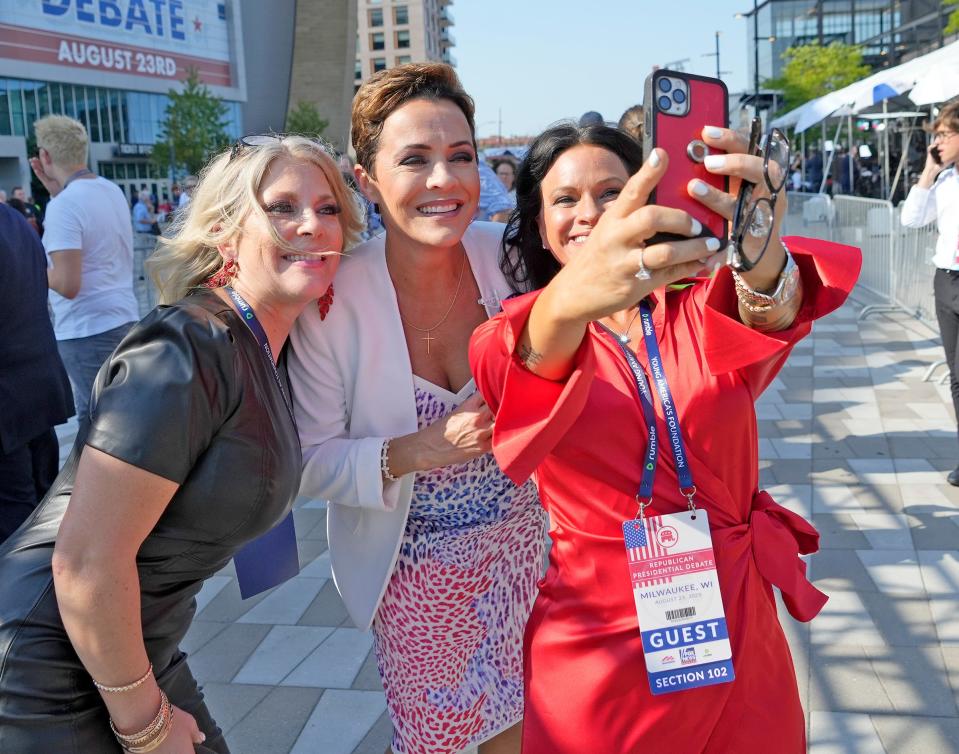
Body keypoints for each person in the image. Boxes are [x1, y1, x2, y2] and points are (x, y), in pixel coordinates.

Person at [469, 122, 861, 753]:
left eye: (613, 192)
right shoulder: (507, 337)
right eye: (564, 200)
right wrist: (573, 302)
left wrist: (760, 250)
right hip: (598, 642)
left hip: (733, 618)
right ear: (540, 225)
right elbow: (531, 363)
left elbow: (770, 306)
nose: (591, 213)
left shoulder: (700, 307)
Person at [0, 134, 362, 752]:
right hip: (49, 666)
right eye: (281, 207)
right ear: (225, 235)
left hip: (134, 643)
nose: (313, 225)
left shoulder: (266, 345)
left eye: (329, 208)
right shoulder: (185, 347)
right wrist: (146, 726)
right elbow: (85, 560)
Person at [288, 62, 545, 754]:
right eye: (414, 160)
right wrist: (419, 448)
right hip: (414, 568)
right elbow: (307, 461)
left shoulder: (511, 260)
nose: (444, 181)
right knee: (439, 741)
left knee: (532, 734)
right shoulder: (329, 304)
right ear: (365, 179)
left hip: (536, 552)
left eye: (459, 157)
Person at [30, 115, 140, 442]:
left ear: (46, 156)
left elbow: (67, 283)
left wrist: (31, 266)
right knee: (110, 420)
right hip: (121, 318)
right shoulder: (110, 190)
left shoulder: (65, 205)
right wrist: (55, 193)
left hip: (85, 330)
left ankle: (107, 492)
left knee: (103, 431)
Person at [0, 203, 74, 542]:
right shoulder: (14, 220)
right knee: (40, 512)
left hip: (10, 399)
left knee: (15, 522)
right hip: (36, 386)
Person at [901, 100, 959, 486]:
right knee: (957, 375)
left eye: (944, 134)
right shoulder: (944, 179)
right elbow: (911, 219)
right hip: (947, 279)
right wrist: (929, 170)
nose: (936, 141)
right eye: (935, 134)